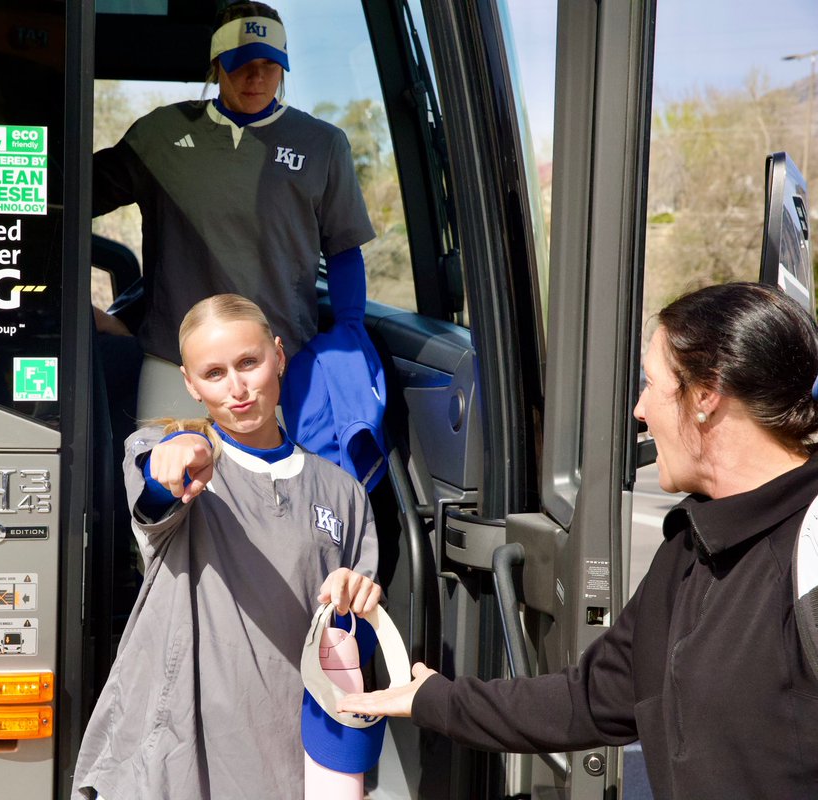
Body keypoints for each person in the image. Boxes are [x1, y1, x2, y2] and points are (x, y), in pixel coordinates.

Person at [336, 282, 818, 798]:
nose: (639, 410)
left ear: (705, 395)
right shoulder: (690, 547)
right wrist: (434, 699)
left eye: (651, 385)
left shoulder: (806, 549)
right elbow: (589, 698)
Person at [72, 294, 383, 799]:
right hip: (184, 750)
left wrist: (357, 601)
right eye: (213, 374)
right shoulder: (163, 450)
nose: (236, 388)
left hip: (297, 749)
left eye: (248, 363)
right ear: (190, 384)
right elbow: (156, 491)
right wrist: (177, 456)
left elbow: (357, 647)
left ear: (278, 356)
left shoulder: (341, 492)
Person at [93, 1, 380, 434]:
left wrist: (350, 333)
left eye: (270, 64)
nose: (257, 77)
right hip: (176, 363)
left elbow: (343, 250)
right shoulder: (160, 135)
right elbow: (68, 198)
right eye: (243, 64)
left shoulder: (323, 145)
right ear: (217, 63)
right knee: (168, 490)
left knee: (273, 494)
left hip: (276, 363)